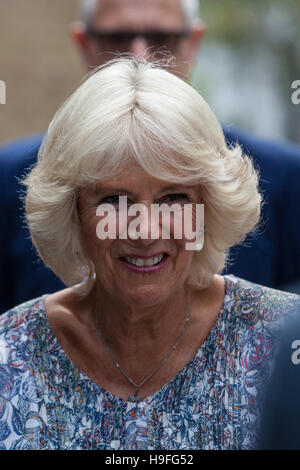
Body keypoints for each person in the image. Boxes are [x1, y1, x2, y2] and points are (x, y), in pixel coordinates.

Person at [0, 58, 299, 450]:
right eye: (115, 200)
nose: (144, 230)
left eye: (173, 198)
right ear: (72, 213)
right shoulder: (10, 354)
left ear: (209, 208)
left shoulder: (283, 345)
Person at [1, 0, 300, 315]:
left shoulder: (285, 179)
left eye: (161, 39)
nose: (139, 56)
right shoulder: (10, 180)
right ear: (84, 45)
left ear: (194, 43)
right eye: (116, 39)